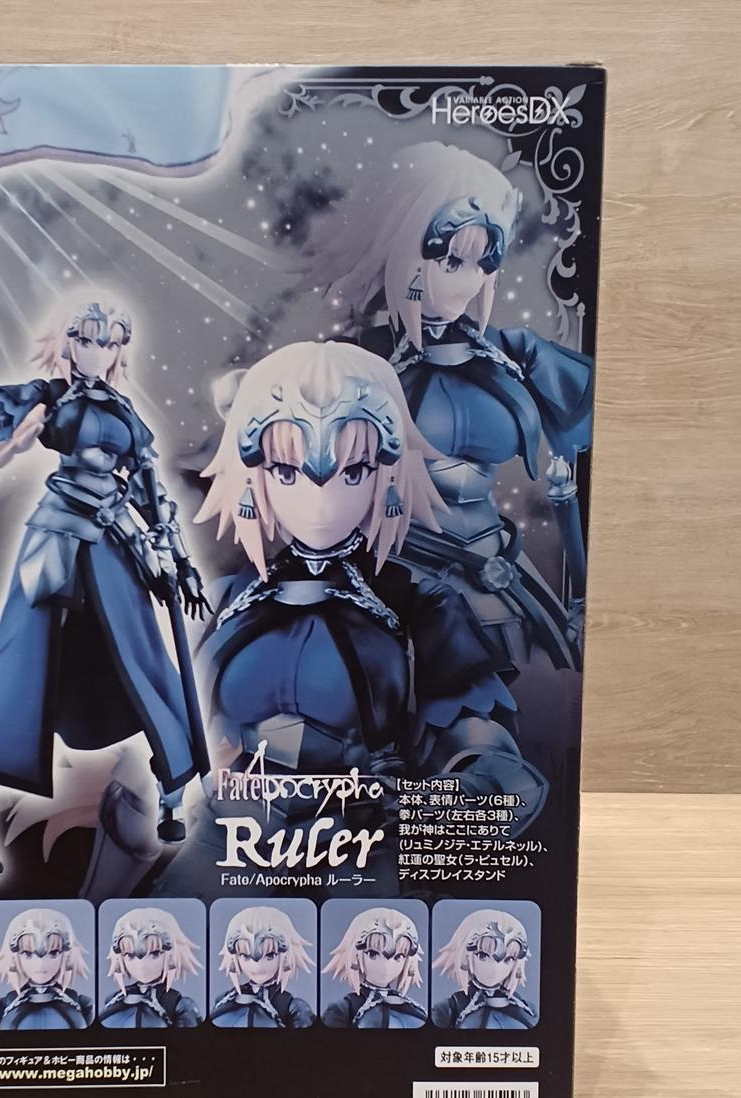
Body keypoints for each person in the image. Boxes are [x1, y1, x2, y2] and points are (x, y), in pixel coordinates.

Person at [155, 341, 546, 901]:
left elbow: (489, 761)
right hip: (232, 834)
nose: (320, 501)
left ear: (388, 474)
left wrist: (422, 807)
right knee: (168, 936)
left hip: (358, 846)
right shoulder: (227, 601)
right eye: (286, 470)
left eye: (354, 470)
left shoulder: (419, 603)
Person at [0, 298, 209, 879]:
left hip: (117, 545)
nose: (98, 352)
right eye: (87, 339)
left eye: (110, 342)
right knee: (19, 671)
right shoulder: (49, 398)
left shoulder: (125, 410)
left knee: (144, 663)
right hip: (57, 540)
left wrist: (179, 559)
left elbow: (151, 490)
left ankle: (172, 794)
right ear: (68, 341)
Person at [305, 141, 593, 670]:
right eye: (451, 260)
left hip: (498, 570)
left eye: (484, 262)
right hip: (394, 574)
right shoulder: (352, 362)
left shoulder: (513, 354)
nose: (469, 281)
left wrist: (580, 589)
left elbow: (575, 471)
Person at [0, 907, 94, 1030]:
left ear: (66, 956)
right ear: (14, 957)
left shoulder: (85, 1006)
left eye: (53, 953)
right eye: (27, 953)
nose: (40, 964)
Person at [430, 907, 538, 1030]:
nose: (495, 968)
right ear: (466, 956)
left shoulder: (528, 1011)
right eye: (483, 956)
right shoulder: (449, 1009)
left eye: (508, 959)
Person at [209, 905, 315, 1028]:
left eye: (270, 955)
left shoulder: (293, 1007)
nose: (257, 968)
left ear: (285, 956)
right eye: (245, 956)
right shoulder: (224, 1000)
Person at [322, 906, 426, 1029]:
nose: (387, 966)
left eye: (398, 957)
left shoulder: (414, 1010)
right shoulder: (343, 1009)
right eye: (373, 954)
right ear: (356, 955)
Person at [99, 906, 203, 1028]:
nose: (141, 964)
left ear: (171, 955)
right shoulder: (114, 1000)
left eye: (155, 953)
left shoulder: (178, 1004)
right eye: (129, 955)